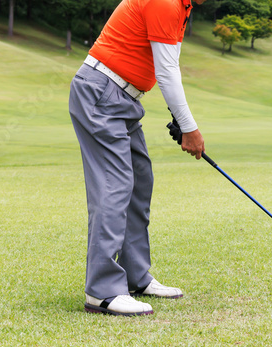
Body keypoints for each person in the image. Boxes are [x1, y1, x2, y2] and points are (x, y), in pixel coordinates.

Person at [69, 0, 207, 316]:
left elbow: (161, 62)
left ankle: (135, 277)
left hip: (123, 100)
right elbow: (167, 72)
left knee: (139, 181)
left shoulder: (183, 6)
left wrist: (178, 116)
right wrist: (189, 128)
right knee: (115, 186)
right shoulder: (167, 2)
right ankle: (102, 291)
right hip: (102, 93)